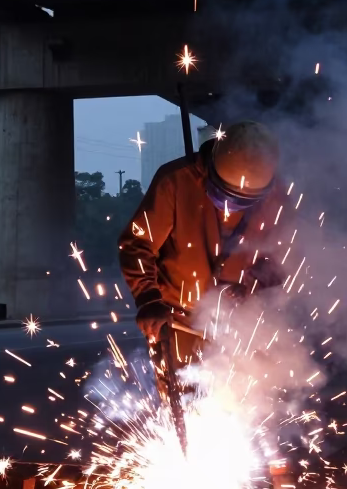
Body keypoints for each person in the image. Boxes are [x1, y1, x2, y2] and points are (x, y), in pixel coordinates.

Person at [119, 121, 285, 343]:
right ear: (211, 168)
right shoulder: (175, 181)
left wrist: (251, 285)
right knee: (179, 378)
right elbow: (138, 244)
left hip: (242, 326)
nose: (229, 207)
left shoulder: (276, 195)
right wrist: (149, 298)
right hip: (178, 321)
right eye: (226, 193)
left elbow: (284, 256)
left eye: (242, 200)